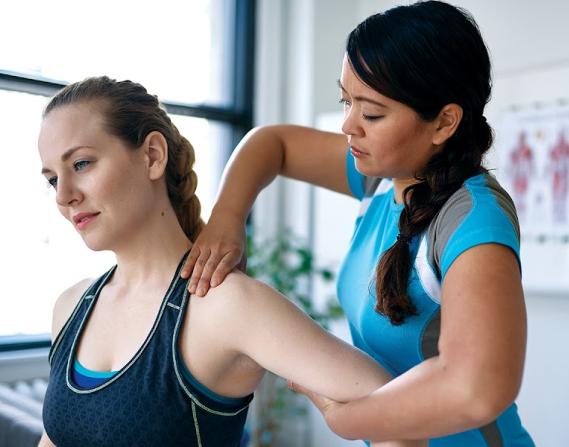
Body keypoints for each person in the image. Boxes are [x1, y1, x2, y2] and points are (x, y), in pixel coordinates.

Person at [180, 1, 535, 445]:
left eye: (371, 113)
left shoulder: (472, 218)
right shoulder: (383, 180)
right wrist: (227, 218)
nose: (349, 125)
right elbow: (273, 144)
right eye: (345, 101)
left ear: (444, 122)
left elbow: (479, 389)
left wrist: (346, 420)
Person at [36, 76, 423, 447]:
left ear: (152, 156)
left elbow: (397, 413)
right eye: (52, 179)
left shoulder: (224, 305)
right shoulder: (70, 308)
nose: (63, 195)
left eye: (81, 164)